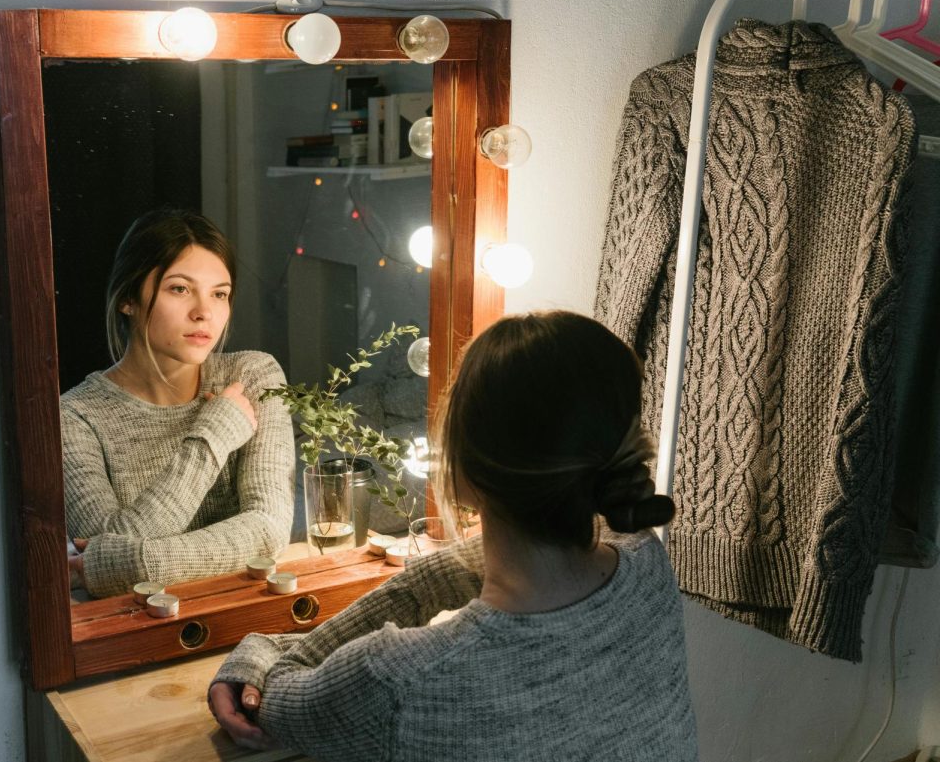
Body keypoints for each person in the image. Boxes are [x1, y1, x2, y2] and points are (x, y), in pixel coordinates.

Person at [208, 310, 698, 761]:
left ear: (464, 466)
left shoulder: (400, 681)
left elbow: (274, 699)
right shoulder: (647, 566)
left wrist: (257, 650)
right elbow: (442, 579)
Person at [64, 208, 295, 597]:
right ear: (128, 299)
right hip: (138, 633)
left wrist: (136, 564)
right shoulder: (75, 417)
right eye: (180, 289)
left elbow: (268, 531)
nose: (204, 313)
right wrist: (214, 436)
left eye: (219, 294)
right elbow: (106, 544)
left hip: (247, 613)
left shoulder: (254, 376)